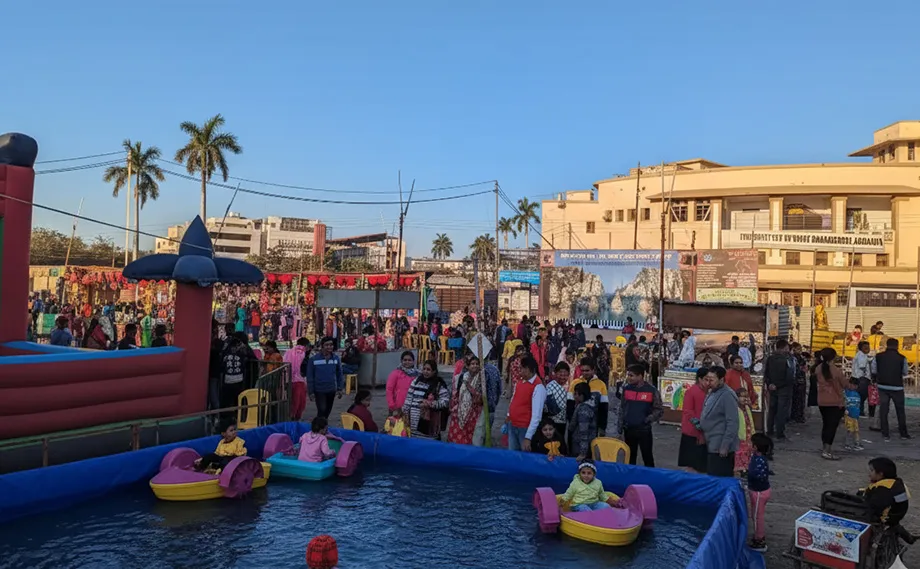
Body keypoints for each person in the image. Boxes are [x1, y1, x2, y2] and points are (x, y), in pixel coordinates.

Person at [858, 457, 912, 542]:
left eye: (871, 471)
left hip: (886, 517)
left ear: (880, 474)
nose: (869, 473)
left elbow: (875, 506)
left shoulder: (884, 489)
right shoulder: (894, 482)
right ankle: (904, 534)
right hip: (896, 513)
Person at [619, 363, 663, 467]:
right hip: (628, 429)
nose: (629, 378)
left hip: (644, 430)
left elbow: (659, 409)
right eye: (628, 375)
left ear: (640, 376)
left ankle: (650, 476)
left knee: (647, 457)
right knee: (630, 457)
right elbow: (622, 408)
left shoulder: (651, 390)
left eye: (631, 375)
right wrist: (620, 427)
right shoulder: (626, 389)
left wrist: (648, 419)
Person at [699, 366, 739, 477]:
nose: (708, 383)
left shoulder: (727, 395)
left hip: (720, 445)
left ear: (721, 380)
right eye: (707, 379)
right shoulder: (712, 392)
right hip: (710, 442)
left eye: (712, 380)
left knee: (719, 477)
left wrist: (725, 445)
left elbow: (732, 422)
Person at [871, 338, 911, 441]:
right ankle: (903, 434)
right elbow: (905, 372)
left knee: (884, 410)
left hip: (882, 387)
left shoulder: (878, 356)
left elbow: (874, 370)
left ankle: (885, 434)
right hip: (897, 387)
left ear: (887, 345)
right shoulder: (902, 358)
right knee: (900, 411)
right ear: (897, 346)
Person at [505, 356, 548, 452]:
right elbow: (513, 399)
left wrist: (528, 437)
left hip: (524, 428)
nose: (519, 371)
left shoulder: (538, 387)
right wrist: (508, 415)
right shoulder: (520, 381)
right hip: (513, 424)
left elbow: (537, 416)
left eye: (521, 368)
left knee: (524, 456)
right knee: (512, 454)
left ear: (529, 369)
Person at [402, 360, 450, 439]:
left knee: (428, 444)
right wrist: (405, 414)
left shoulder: (439, 385)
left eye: (428, 370)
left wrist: (430, 404)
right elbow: (408, 399)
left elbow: (445, 402)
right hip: (413, 422)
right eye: (424, 369)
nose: (425, 371)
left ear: (434, 371)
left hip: (430, 423)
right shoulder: (416, 382)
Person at [816, 347, 847, 460]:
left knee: (826, 425)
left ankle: (825, 447)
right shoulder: (836, 371)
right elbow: (844, 384)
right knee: (831, 427)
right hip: (834, 401)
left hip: (822, 400)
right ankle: (827, 450)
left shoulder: (818, 368)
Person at [447, 356, 486, 445]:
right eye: (472, 364)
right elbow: (456, 393)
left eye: (477, 364)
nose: (475, 366)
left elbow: (482, 397)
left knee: (469, 437)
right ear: (468, 366)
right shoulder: (462, 377)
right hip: (459, 411)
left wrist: (470, 388)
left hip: (474, 413)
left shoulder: (482, 379)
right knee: (455, 437)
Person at [566, 359, 610, 438]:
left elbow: (604, 408)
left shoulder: (601, 385)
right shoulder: (574, 383)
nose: (584, 373)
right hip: (576, 426)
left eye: (587, 370)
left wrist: (602, 427)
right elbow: (569, 405)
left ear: (593, 370)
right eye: (582, 370)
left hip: (593, 426)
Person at [305, 336, 345, 420]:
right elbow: (310, 376)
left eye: (331, 345)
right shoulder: (313, 360)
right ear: (322, 346)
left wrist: (340, 388)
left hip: (331, 389)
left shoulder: (336, 358)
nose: (329, 347)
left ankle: (322, 425)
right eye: (327, 345)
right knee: (322, 410)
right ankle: (318, 426)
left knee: (327, 411)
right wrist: (311, 392)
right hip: (319, 390)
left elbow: (339, 374)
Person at [678, 367, 709, 474]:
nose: (708, 382)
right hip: (692, 432)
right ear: (700, 379)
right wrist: (699, 426)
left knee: (702, 464)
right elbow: (688, 412)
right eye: (706, 379)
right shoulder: (691, 392)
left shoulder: (709, 392)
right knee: (692, 463)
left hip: (705, 431)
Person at [764, 339, 795, 442]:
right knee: (781, 412)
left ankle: (769, 431)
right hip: (784, 389)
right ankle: (780, 433)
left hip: (772, 388)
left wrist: (770, 384)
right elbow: (789, 376)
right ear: (785, 347)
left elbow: (766, 373)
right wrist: (779, 385)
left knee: (772, 410)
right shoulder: (788, 359)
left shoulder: (770, 358)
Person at [747, 433, 773, 553]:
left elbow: (759, 476)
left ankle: (759, 540)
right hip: (758, 491)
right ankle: (758, 536)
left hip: (759, 493)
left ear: (755, 447)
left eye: (751, 443)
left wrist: (748, 476)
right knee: (755, 514)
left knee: (757, 517)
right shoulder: (757, 457)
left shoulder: (760, 460)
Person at [567, 382, 597, 461]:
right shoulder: (590, 405)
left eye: (576, 394)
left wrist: (582, 453)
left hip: (580, 447)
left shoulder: (584, 410)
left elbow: (583, 433)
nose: (574, 396)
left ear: (582, 395)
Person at [284, 338, 310, 421]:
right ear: (306, 346)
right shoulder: (302, 353)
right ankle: (294, 420)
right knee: (299, 404)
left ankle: (290, 419)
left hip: (287, 380)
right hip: (299, 381)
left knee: (292, 402)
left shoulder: (288, 352)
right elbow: (298, 368)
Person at [734, 388, 756, 477]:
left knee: (748, 451)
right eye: (743, 397)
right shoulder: (735, 409)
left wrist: (753, 431)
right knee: (740, 452)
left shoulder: (747, 408)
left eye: (746, 397)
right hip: (740, 435)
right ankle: (740, 469)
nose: (745, 399)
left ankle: (746, 467)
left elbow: (750, 420)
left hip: (748, 433)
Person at [545, 362, 570, 435]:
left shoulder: (568, 386)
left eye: (565, 375)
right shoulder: (550, 387)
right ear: (555, 374)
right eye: (560, 374)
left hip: (563, 423)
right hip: (551, 424)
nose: (562, 377)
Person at [851, 340, 872, 416]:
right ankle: (860, 412)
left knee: (860, 396)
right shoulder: (861, 355)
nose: (867, 349)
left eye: (868, 347)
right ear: (861, 348)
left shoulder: (861, 355)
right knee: (861, 396)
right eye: (865, 347)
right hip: (861, 378)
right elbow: (862, 366)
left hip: (858, 378)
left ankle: (859, 411)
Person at [844, 376, 864, 451]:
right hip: (848, 415)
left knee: (856, 430)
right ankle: (848, 444)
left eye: (855, 385)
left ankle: (856, 443)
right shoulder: (846, 393)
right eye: (852, 385)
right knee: (850, 430)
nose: (854, 387)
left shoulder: (857, 394)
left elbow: (858, 405)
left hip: (855, 416)